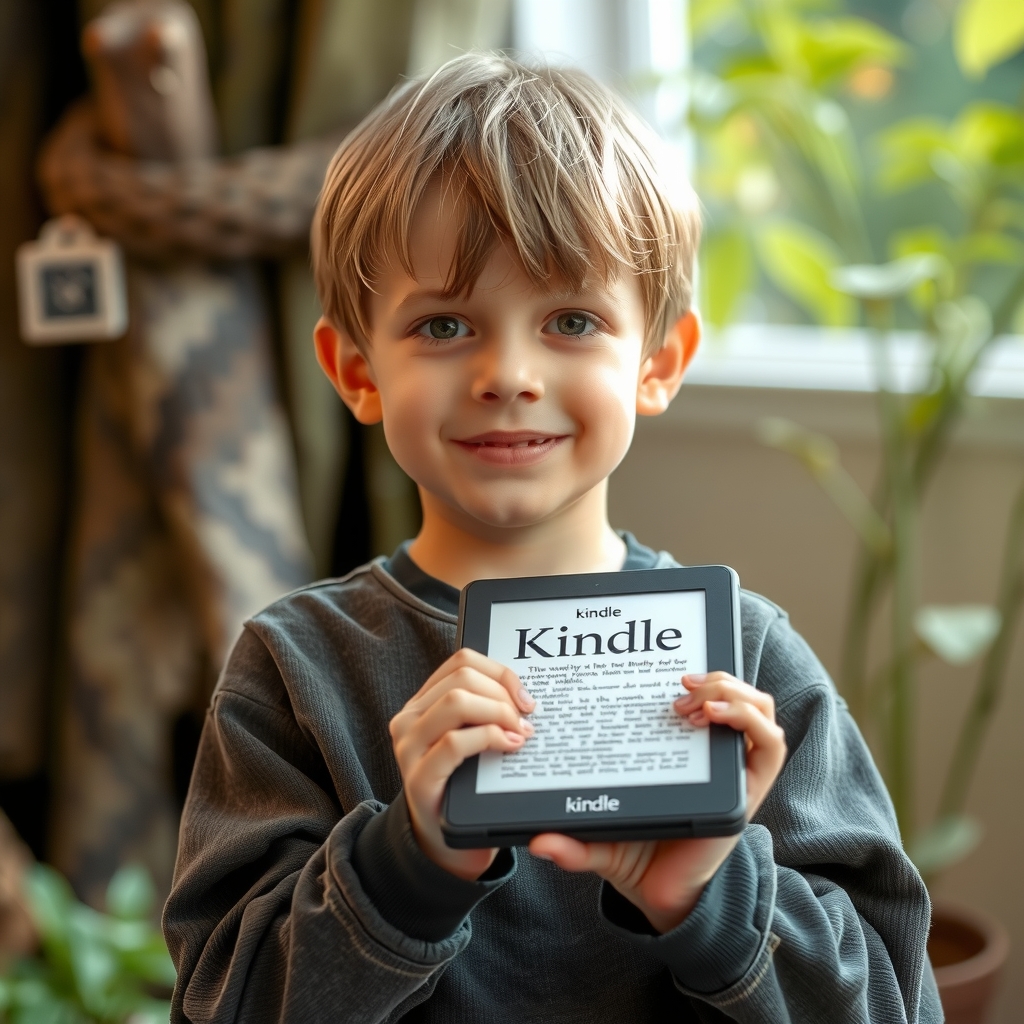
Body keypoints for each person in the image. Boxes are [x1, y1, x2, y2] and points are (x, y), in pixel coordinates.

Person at [162, 53, 941, 1023]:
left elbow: (893, 1004)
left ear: (658, 362)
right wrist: (406, 864)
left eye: (571, 319)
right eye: (443, 325)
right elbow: (222, 1006)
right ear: (355, 370)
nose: (509, 373)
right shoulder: (294, 671)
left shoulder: (747, 665)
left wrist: (715, 895)